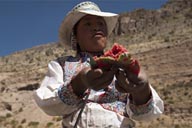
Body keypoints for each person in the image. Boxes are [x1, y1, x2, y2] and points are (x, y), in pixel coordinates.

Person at [34, 1, 164, 128]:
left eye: (100, 24)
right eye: (88, 24)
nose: (96, 27)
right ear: (75, 36)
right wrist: (79, 82)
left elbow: (149, 114)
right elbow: (47, 103)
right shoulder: (61, 65)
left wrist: (141, 90)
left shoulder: (123, 65)